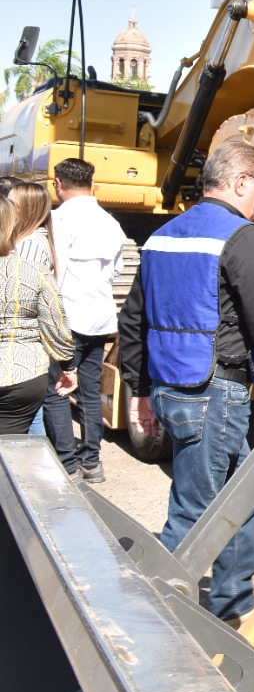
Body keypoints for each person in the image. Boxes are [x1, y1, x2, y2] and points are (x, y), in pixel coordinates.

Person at [122, 139, 254, 623]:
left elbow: (133, 321)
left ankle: (231, 601)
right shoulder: (243, 236)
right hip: (214, 393)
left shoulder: (163, 236)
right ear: (241, 182)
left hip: (171, 389)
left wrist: (140, 392)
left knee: (240, 494)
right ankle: (154, 616)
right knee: (195, 511)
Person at [46, 159, 128, 482]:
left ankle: (67, 463)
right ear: (91, 184)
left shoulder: (58, 220)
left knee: (58, 389)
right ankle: (92, 461)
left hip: (67, 317)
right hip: (99, 318)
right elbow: (117, 270)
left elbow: (54, 271)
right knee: (90, 390)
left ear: (57, 184)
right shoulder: (110, 222)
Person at [0, 197, 77, 435]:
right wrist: (68, 366)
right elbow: (55, 323)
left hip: (22, 379)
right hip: (23, 375)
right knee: (12, 449)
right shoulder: (34, 271)